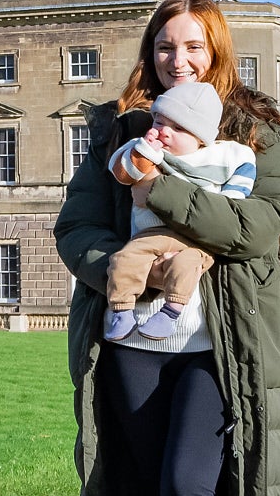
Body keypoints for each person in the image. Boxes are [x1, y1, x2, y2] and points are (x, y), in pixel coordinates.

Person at [53, 0, 280, 496]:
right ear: (150, 52)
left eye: (192, 46)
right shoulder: (119, 131)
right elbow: (76, 229)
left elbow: (258, 228)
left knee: (190, 484)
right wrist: (123, 266)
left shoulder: (255, 134)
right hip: (132, 340)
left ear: (216, 49)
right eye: (165, 47)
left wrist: (157, 186)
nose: (178, 59)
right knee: (160, 489)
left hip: (217, 346)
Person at [100, 79, 259, 342]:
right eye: (160, 122)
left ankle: (169, 313)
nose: (165, 132)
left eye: (178, 127)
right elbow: (123, 173)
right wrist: (145, 152)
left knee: (186, 266)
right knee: (123, 259)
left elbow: (244, 170)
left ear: (200, 138)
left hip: (197, 238)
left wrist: (229, 201)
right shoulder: (146, 148)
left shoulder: (221, 155)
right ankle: (122, 311)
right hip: (149, 234)